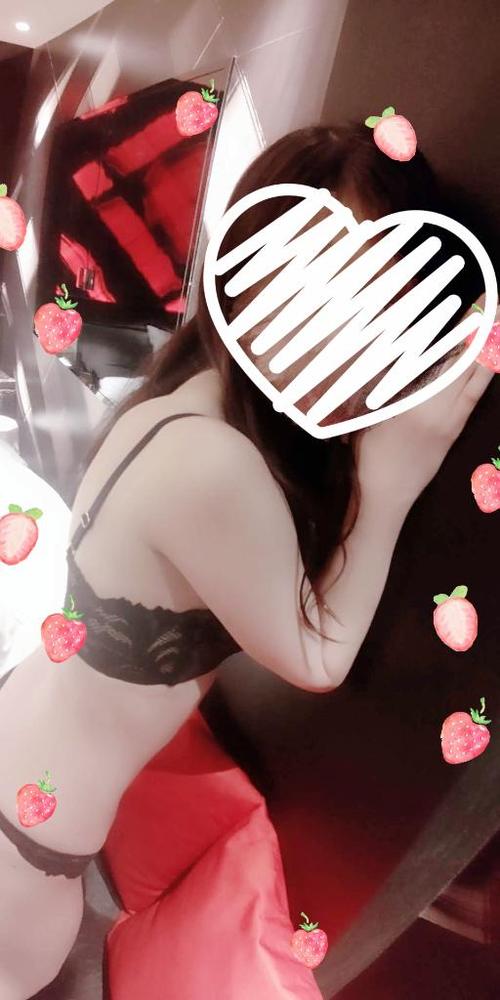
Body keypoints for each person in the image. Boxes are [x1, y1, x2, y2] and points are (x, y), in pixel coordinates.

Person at [0, 123, 495, 999]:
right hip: (24, 860)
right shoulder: (215, 461)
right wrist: (392, 480)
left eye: (377, 311)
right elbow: (319, 657)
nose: (334, 334)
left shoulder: (191, 390)